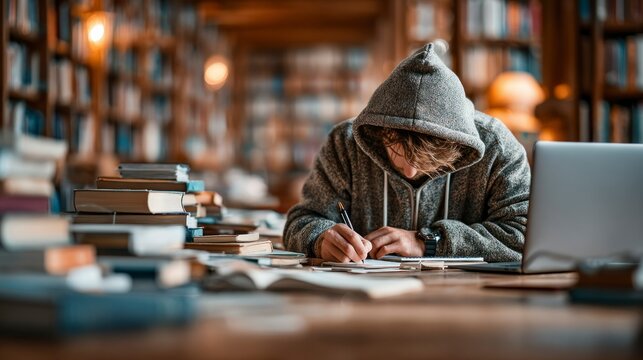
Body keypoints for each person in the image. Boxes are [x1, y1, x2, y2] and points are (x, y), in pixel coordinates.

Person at [283, 42, 531, 263]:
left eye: (428, 162)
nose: (409, 172)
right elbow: (301, 221)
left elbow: (524, 235)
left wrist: (428, 242)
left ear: (457, 148)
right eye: (395, 152)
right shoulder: (345, 144)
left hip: (472, 302)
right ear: (380, 132)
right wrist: (319, 239)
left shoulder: (496, 146)